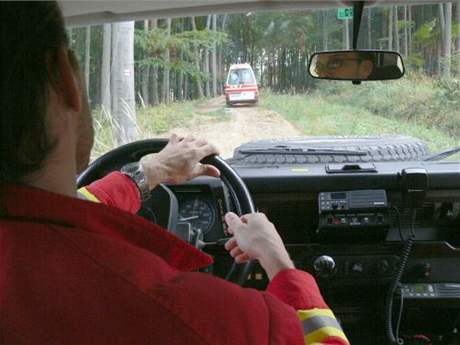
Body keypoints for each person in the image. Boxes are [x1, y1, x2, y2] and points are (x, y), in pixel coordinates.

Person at [0, 2, 349, 345]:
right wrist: (275, 256)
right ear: (65, 79)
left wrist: (152, 170)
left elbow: (71, 206)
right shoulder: (207, 319)